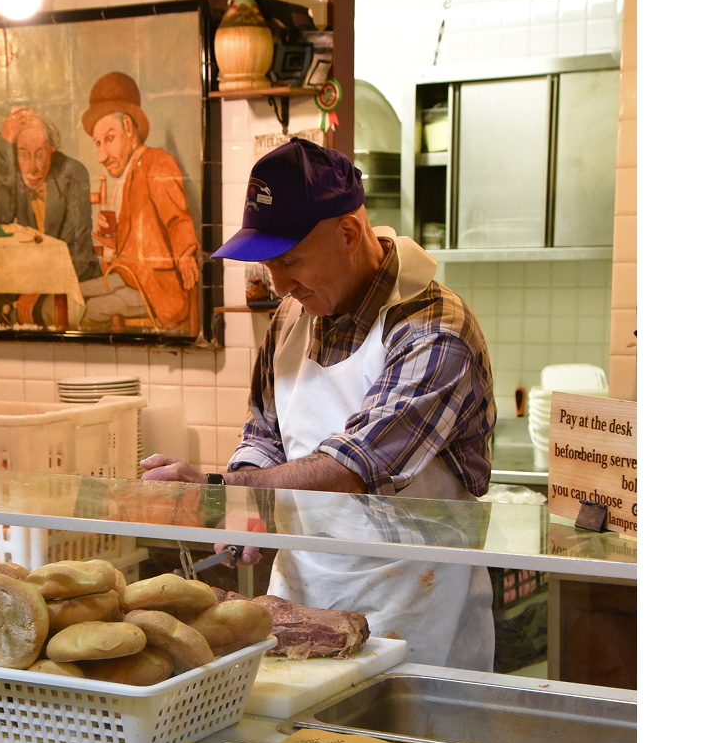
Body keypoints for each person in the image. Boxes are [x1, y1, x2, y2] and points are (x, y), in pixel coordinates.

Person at [141, 136, 496, 670]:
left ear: (349, 233)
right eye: (266, 267)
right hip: (302, 598)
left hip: (417, 604)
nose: (280, 285)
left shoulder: (434, 329)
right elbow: (265, 434)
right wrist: (247, 510)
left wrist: (219, 489)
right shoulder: (290, 318)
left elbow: (354, 468)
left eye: (288, 261)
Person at [81, 72, 202, 329]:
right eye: (98, 143)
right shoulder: (126, 176)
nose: (102, 155)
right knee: (74, 293)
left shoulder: (156, 162)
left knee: (93, 308)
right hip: (126, 275)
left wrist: (185, 254)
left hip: (154, 285)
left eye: (109, 139)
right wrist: (110, 239)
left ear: (128, 126)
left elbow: (177, 216)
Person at [0, 108, 101, 325]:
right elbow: (3, 217)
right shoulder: (14, 172)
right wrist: (4, 146)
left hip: (72, 280)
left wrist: (39, 291)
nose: (32, 167)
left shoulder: (73, 173)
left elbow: (80, 253)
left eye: (40, 154)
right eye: (24, 154)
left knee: (32, 314)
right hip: (32, 277)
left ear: (52, 149)